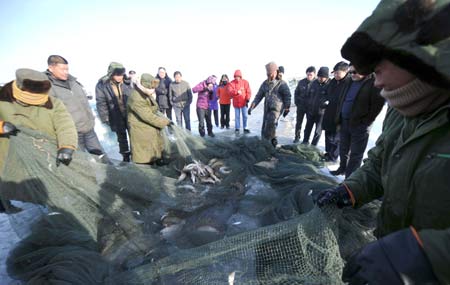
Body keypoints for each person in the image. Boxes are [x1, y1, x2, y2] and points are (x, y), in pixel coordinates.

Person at [316, 1, 450, 283]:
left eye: (378, 70)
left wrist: (428, 255)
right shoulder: (402, 111)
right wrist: (350, 191)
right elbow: (380, 162)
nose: (375, 82)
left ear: (415, 58)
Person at [0, 69, 77, 212]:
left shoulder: (54, 103)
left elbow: (65, 124)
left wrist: (67, 145)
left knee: (52, 187)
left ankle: (56, 211)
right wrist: (1, 126)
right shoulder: (2, 99)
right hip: (14, 157)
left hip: (46, 153)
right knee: (28, 189)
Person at [330, 65, 384, 177]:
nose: (352, 74)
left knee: (356, 154)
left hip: (360, 125)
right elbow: (342, 99)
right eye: (351, 71)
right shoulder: (349, 81)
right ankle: (342, 168)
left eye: (355, 71)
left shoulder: (374, 82)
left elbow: (377, 105)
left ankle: (349, 179)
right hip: (345, 121)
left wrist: (365, 121)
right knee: (343, 149)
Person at [45, 55, 104, 156]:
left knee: (102, 157)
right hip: (72, 134)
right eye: (62, 69)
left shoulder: (74, 82)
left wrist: (91, 120)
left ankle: (112, 172)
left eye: (67, 69)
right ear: (51, 68)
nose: (66, 72)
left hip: (88, 129)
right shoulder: (48, 87)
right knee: (80, 163)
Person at [127, 73, 171, 165]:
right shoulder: (136, 98)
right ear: (143, 86)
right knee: (145, 157)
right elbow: (148, 116)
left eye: (154, 88)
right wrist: (166, 122)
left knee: (153, 150)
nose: (153, 90)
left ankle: (156, 161)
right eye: (151, 88)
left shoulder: (144, 93)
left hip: (148, 129)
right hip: (141, 131)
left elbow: (152, 109)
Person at [95, 62, 132, 162]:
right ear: (111, 74)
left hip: (129, 114)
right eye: (117, 75)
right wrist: (105, 117)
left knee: (134, 134)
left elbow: (133, 97)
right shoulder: (102, 85)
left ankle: (136, 154)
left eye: (121, 74)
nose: (120, 77)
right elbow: (101, 102)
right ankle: (125, 156)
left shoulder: (127, 82)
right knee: (121, 137)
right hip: (115, 114)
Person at [249, 62, 291, 147]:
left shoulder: (281, 84)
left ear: (276, 72)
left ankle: (270, 145)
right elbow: (259, 96)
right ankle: (270, 142)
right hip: (267, 108)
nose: (269, 75)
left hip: (276, 109)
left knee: (270, 125)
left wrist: (287, 107)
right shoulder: (265, 83)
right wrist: (252, 106)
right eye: (268, 74)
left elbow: (287, 96)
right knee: (264, 127)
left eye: (271, 73)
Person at [321, 61, 351, 162]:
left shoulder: (348, 83)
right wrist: (324, 100)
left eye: (338, 73)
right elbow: (326, 93)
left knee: (336, 138)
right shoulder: (333, 82)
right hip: (329, 111)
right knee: (328, 134)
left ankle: (333, 157)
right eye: (335, 73)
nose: (336, 75)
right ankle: (328, 153)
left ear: (345, 71)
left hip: (340, 114)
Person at [302, 66, 330, 146]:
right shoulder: (314, 83)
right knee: (307, 128)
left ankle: (313, 146)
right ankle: (304, 142)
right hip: (311, 111)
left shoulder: (330, 85)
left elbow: (331, 99)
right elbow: (308, 96)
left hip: (322, 113)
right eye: (319, 77)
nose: (320, 78)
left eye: (322, 77)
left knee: (318, 131)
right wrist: (308, 107)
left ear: (326, 77)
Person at [293, 66, 316, 143]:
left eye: (311, 75)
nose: (309, 76)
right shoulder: (301, 82)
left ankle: (306, 139)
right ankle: (297, 137)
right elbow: (296, 93)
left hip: (310, 108)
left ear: (314, 75)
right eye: (308, 74)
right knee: (298, 122)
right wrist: (297, 102)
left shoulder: (316, 83)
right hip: (301, 106)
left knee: (308, 124)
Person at [227, 70, 251, 134]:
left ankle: (245, 127)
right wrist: (236, 92)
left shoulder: (245, 82)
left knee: (245, 116)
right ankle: (237, 128)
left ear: (240, 76)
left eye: (238, 76)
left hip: (244, 102)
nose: (237, 78)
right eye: (235, 76)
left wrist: (247, 99)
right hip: (236, 103)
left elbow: (248, 92)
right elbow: (229, 92)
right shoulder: (231, 83)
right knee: (237, 116)